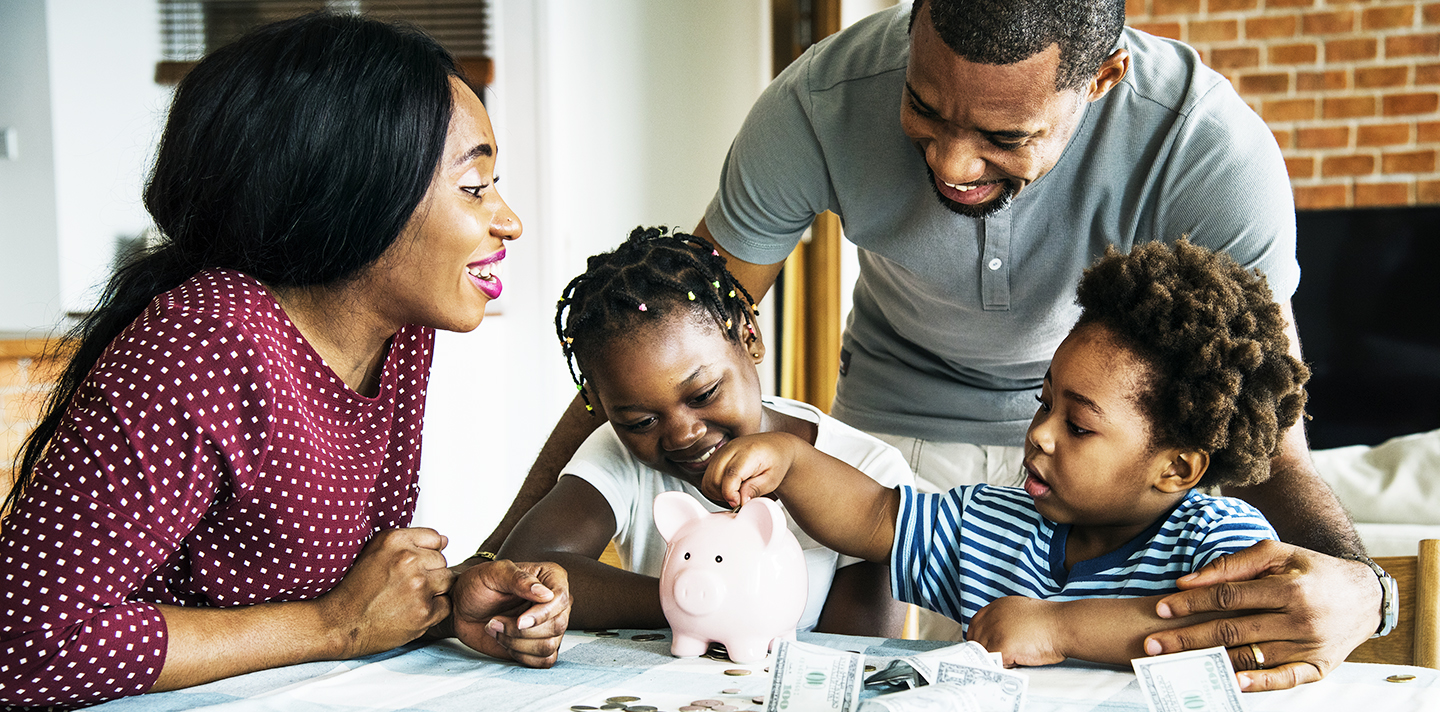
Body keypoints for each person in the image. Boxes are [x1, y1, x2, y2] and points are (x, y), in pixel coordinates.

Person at [477, 0, 1385, 689]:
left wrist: (1365, 590)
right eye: (925, 107)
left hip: (1116, 441)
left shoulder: (1208, 152)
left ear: (1101, 79)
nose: (951, 165)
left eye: (1004, 135)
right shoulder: (817, 104)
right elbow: (666, 329)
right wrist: (495, 563)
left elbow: (1268, 446)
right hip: (892, 441)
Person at [0, 14, 570, 709]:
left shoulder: (397, 333)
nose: (507, 220)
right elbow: (23, 645)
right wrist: (333, 627)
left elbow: (354, 592)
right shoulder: (207, 340)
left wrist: (449, 601)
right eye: (474, 186)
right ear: (356, 191)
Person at [705, 240, 1307, 676]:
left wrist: (1057, 627)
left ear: (1176, 469)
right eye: (1044, 404)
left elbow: (1223, 633)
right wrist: (791, 462)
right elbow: (872, 518)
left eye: (1078, 425)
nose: (1040, 435)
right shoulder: (994, 524)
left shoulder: (1220, 542)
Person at [494, 227, 912, 636]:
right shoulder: (617, 450)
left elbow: (856, 651)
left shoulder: (869, 469)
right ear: (603, 407)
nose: (682, 435)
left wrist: (707, 600)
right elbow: (521, 569)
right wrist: (687, 599)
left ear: (749, 336)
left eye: (704, 393)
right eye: (641, 422)